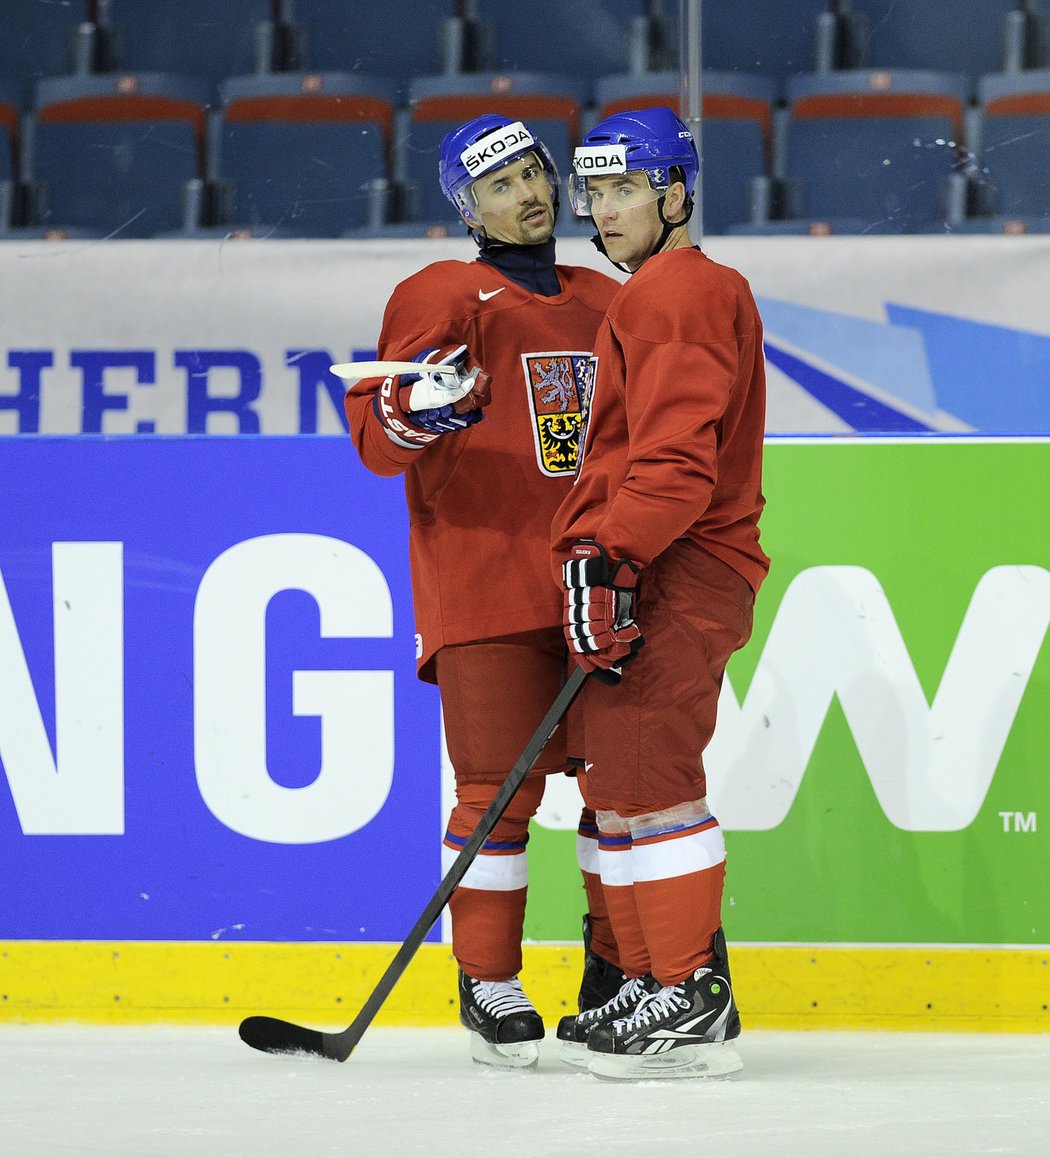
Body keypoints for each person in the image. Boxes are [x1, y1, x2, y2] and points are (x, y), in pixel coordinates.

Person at [343, 115, 625, 1069]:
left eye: (536, 173)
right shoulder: (440, 291)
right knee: (494, 797)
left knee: (618, 793)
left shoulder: (607, 295)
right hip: (489, 582)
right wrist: (418, 406)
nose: (528, 194)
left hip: (602, 577)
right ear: (468, 207)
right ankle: (489, 978)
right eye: (500, 185)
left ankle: (618, 972)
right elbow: (378, 439)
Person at [550, 107, 770, 1080]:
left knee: (653, 785)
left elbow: (677, 467)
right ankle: (653, 979)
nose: (605, 210)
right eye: (594, 192)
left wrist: (614, 558)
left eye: (626, 188)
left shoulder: (679, 289)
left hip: (674, 565)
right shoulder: (655, 293)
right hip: (656, 563)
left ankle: (688, 986)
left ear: (677, 193)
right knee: (625, 789)